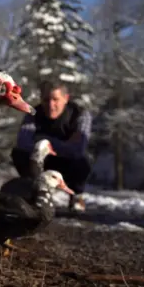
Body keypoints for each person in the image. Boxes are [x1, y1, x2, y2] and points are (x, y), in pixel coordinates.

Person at [12, 80, 93, 212]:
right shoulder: (32, 114)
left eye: (55, 99)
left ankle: (76, 195)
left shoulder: (80, 114)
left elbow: (78, 149)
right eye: (46, 100)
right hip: (41, 162)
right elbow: (23, 143)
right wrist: (63, 144)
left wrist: (43, 141)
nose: (51, 105)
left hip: (68, 163)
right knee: (19, 154)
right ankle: (36, 192)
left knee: (83, 161)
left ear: (66, 99)